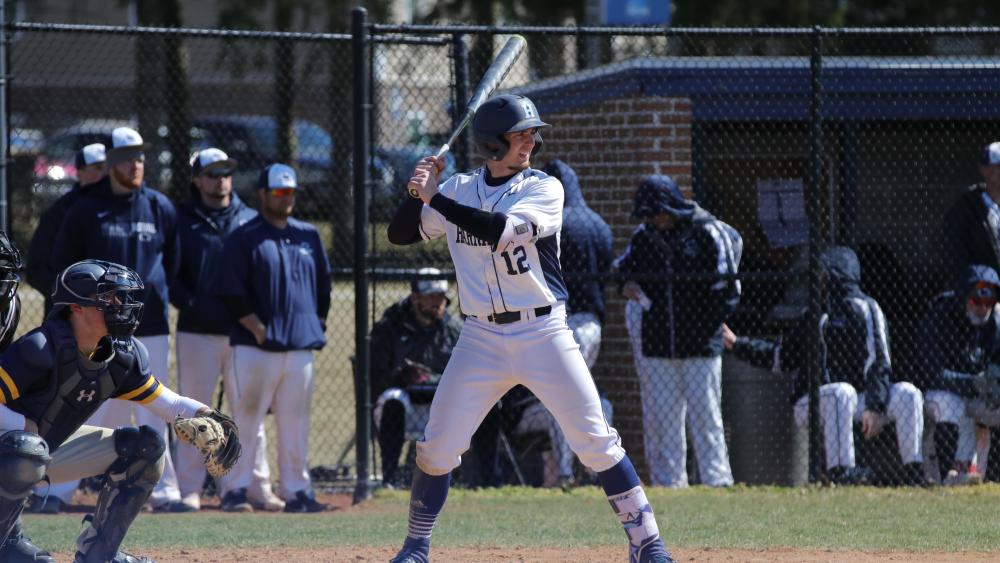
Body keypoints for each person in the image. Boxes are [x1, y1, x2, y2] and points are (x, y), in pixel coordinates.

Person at [385, 93, 674, 563]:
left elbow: (498, 231)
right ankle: (416, 546)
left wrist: (434, 195)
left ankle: (647, 544)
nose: (530, 143)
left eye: (531, 135)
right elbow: (402, 233)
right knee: (437, 448)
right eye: (520, 136)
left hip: (543, 333)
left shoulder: (545, 188)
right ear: (491, 144)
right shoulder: (457, 187)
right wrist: (415, 191)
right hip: (480, 337)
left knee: (596, 441)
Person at [0, 259, 236, 563]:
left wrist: (208, 415)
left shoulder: (121, 356)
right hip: (14, 453)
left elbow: (169, 403)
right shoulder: (40, 348)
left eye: (122, 298)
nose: (120, 305)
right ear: (77, 307)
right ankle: (5, 543)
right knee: (26, 448)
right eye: (108, 298)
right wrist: (23, 425)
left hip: (41, 451)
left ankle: (100, 553)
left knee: (146, 447)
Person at [50, 126, 184, 511]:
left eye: (140, 156)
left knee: (154, 405)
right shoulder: (86, 210)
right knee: (87, 405)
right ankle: (58, 489)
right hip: (99, 330)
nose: (136, 164)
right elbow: (65, 266)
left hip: (152, 325)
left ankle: (163, 488)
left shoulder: (160, 207)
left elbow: (172, 264)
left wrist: (153, 293)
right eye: (127, 157)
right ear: (110, 163)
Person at [725, 246, 926, 486]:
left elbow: (880, 361)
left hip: (862, 400)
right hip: (811, 402)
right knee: (842, 392)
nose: (818, 278)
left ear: (835, 274)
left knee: (908, 393)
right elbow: (780, 357)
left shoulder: (866, 308)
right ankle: (841, 472)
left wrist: (875, 404)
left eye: (822, 273)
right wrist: (737, 344)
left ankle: (915, 471)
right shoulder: (815, 314)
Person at [170, 148, 282, 512]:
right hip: (197, 330)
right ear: (197, 179)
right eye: (213, 173)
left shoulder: (250, 218)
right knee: (192, 413)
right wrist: (189, 302)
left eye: (226, 173)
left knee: (248, 411)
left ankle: (250, 487)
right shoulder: (181, 219)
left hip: (241, 333)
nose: (221, 180)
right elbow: (170, 271)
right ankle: (189, 488)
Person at [216, 163, 332, 513]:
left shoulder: (308, 235)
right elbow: (231, 291)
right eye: (279, 192)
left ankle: (297, 491)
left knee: (296, 424)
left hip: (299, 349)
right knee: (245, 421)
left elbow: (323, 288)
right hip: (255, 348)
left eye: (290, 192)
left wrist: (316, 324)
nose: (285, 198)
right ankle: (235, 490)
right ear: (263, 195)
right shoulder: (244, 236)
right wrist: (257, 327)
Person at [614, 175, 740, 488]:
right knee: (665, 421)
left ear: (670, 207)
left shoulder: (708, 231)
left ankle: (717, 481)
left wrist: (707, 324)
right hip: (659, 345)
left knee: (706, 416)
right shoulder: (644, 236)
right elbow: (619, 269)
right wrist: (625, 286)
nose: (653, 220)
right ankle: (671, 484)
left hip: (701, 346)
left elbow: (729, 288)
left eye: (656, 213)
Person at [913, 265, 1000, 486]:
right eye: (975, 301)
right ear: (963, 298)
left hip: (976, 393)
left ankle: (969, 475)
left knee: (981, 412)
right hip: (937, 394)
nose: (982, 308)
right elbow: (933, 374)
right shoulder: (940, 316)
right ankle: (951, 472)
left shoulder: (993, 324)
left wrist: (993, 385)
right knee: (956, 406)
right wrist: (972, 383)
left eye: (988, 303)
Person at [27, 142, 107, 314]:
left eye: (109, 167)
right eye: (99, 167)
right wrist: (69, 297)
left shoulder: (120, 209)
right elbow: (36, 269)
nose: (106, 172)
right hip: (68, 313)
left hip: (111, 310)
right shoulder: (60, 211)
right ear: (79, 172)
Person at [942, 142, 1000, 274]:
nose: (995, 175)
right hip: (983, 287)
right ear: (983, 170)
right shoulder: (966, 208)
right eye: (994, 168)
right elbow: (955, 255)